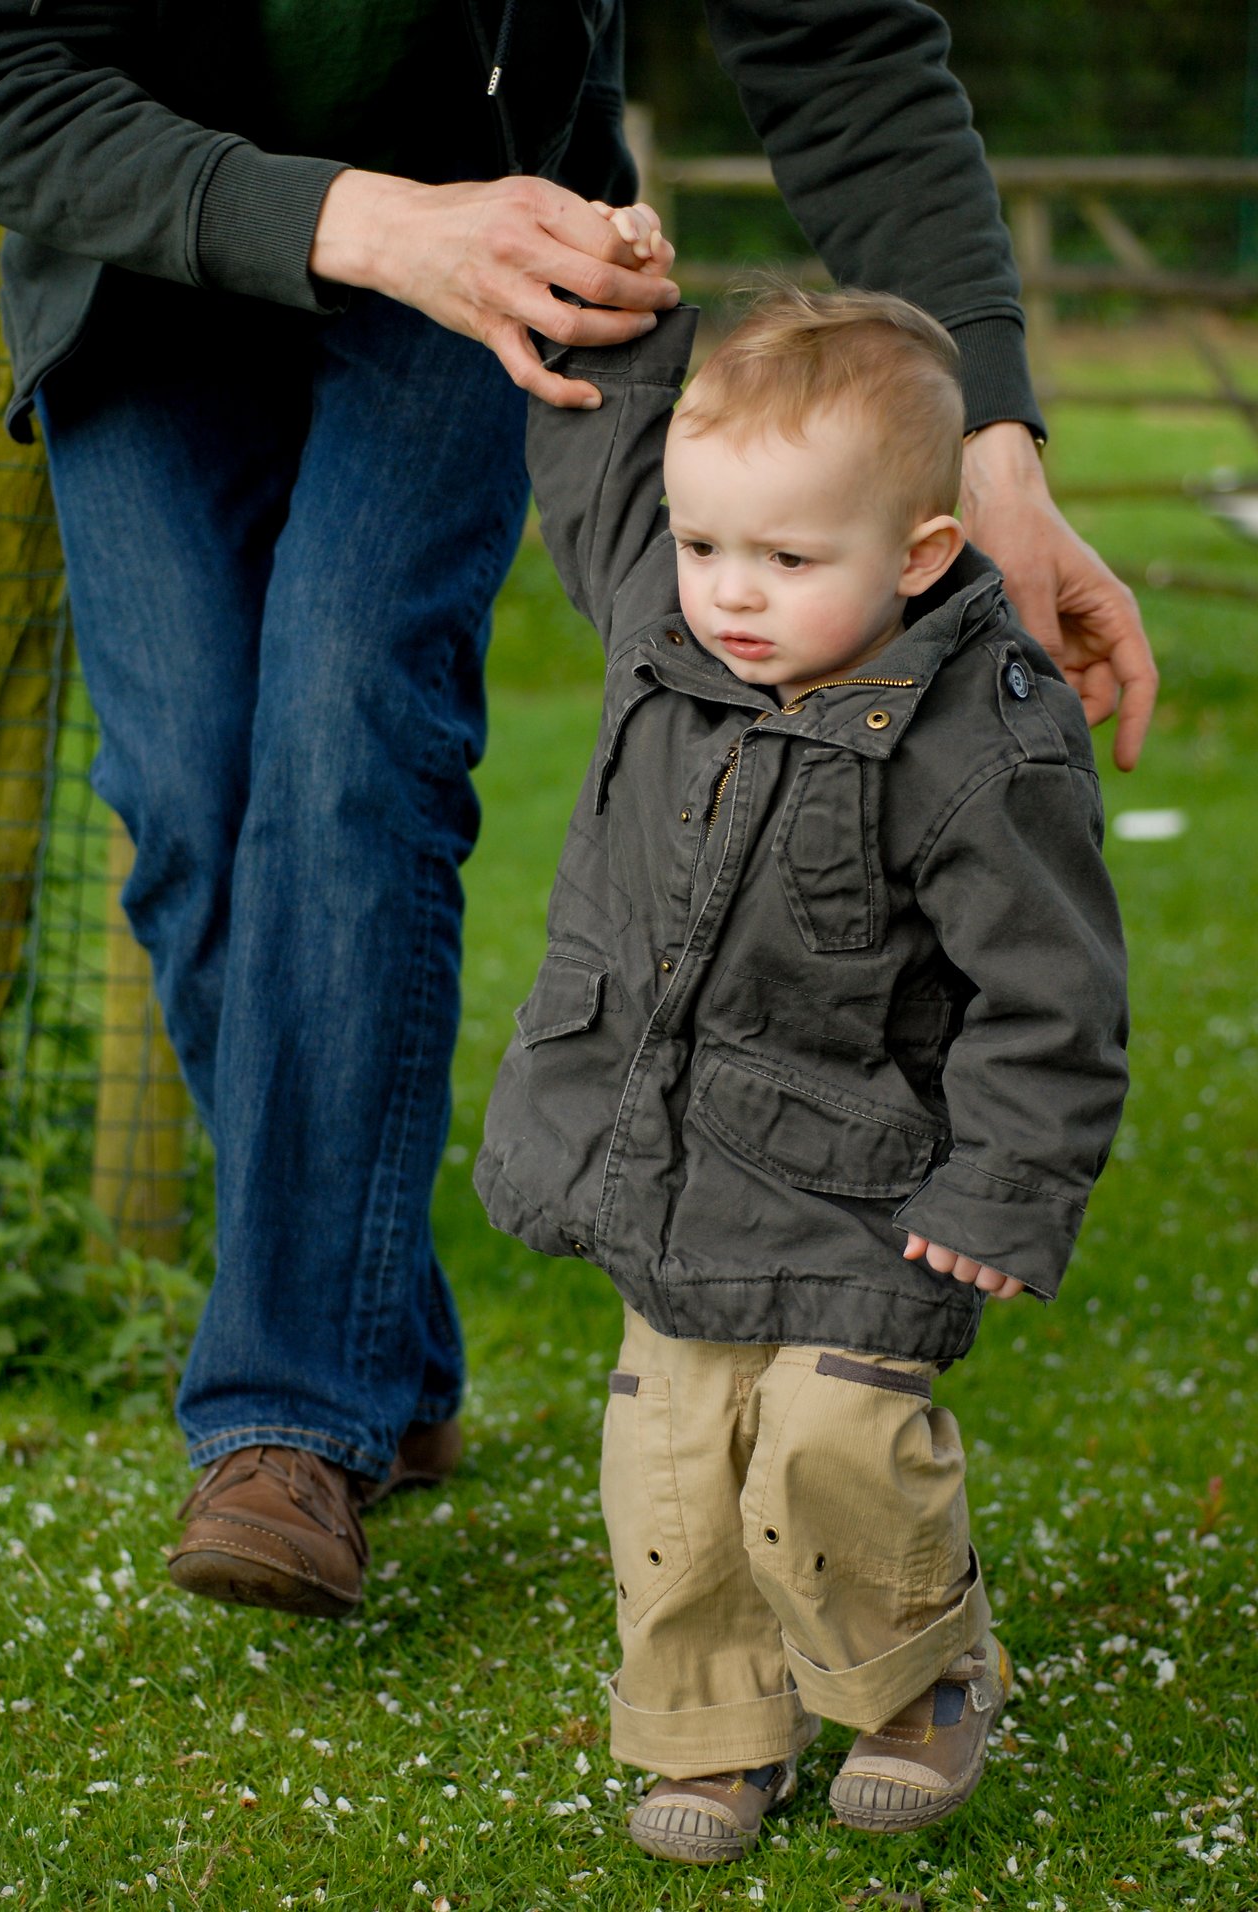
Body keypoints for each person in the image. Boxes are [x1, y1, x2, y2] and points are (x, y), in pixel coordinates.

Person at [0, 1, 1151, 1616]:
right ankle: (381, 1331)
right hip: (134, 242)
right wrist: (367, 220)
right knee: (191, 814)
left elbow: (846, 50)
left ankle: (289, 1420)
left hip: (501, 225)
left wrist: (1000, 456)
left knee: (347, 747)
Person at [474, 259, 1130, 1855]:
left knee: (836, 1442)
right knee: (672, 1461)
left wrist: (1002, 1193)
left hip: (867, 1178)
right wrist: (598, 303)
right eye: (706, 545)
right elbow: (605, 453)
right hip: (671, 1155)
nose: (731, 591)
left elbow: (1053, 998)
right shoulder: (664, 619)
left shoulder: (981, 739)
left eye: (785, 555)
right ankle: (712, 1734)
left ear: (920, 555)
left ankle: (923, 1681)